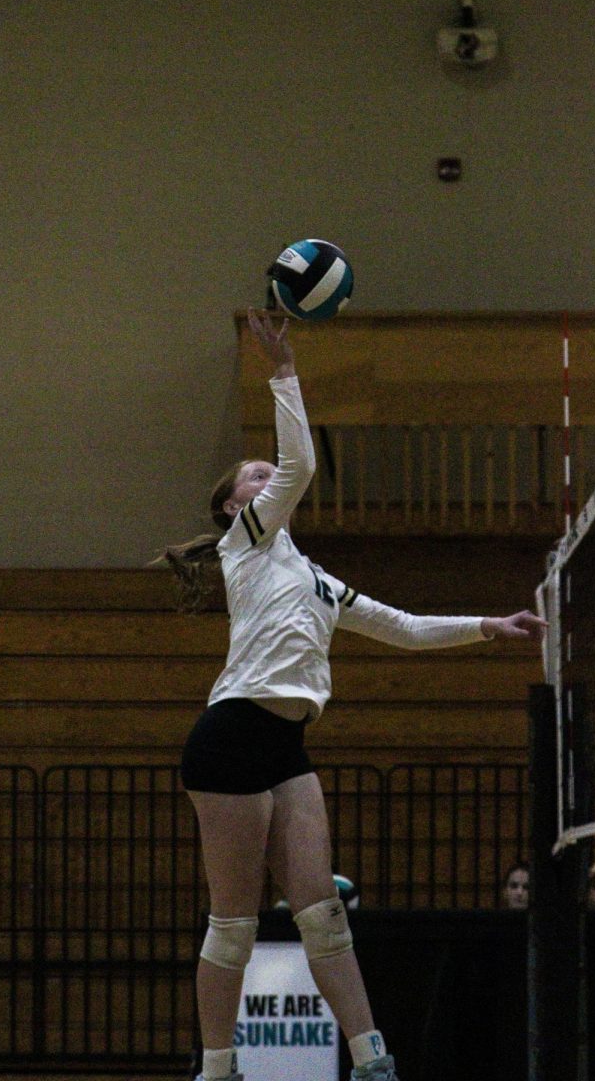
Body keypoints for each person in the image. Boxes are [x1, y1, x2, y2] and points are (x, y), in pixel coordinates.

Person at [159, 309, 546, 1081]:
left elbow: (400, 627)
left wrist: (488, 625)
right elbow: (299, 464)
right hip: (230, 736)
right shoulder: (248, 543)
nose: (269, 477)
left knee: (323, 914)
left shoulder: (315, 578)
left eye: (266, 474)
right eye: (255, 478)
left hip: (285, 745)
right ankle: (214, 1070)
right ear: (236, 508)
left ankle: (373, 1062)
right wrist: (283, 371)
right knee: (233, 925)